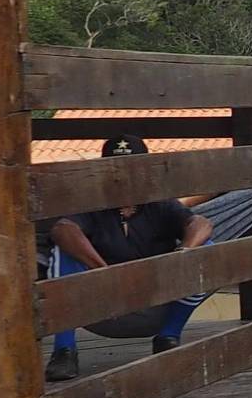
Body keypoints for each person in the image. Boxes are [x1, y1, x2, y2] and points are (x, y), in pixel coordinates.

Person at [43, 135, 214, 382]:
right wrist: (105, 273)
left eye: (132, 168)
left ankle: (168, 336)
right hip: (101, 298)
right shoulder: (90, 203)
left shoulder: (161, 204)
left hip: (156, 294)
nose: (123, 176)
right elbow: (62, 229)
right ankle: (64, 350)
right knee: (62, 254)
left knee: (205, 250)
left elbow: (200, 222)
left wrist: (184, 252)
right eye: (115, 169)